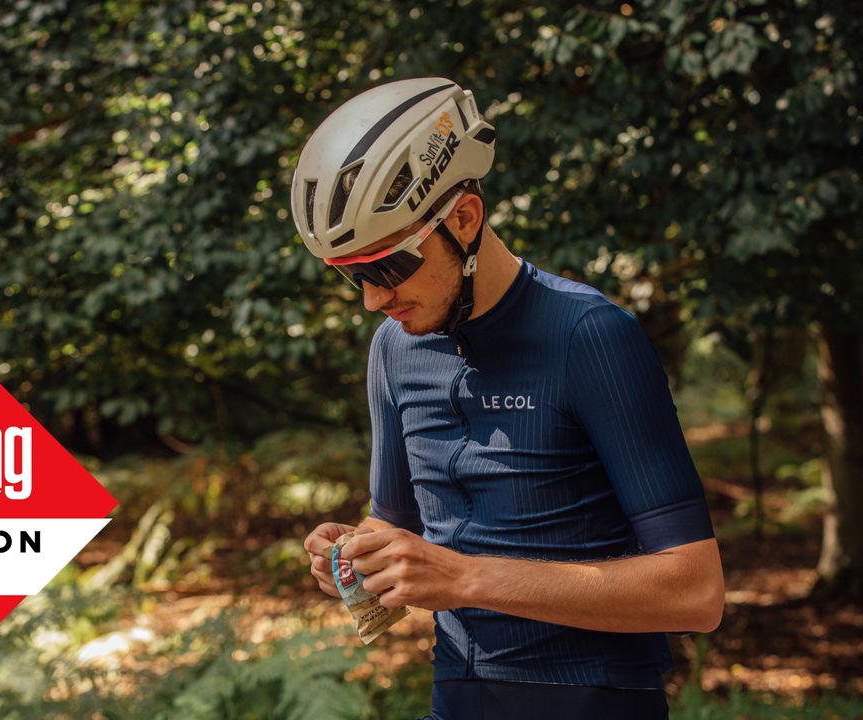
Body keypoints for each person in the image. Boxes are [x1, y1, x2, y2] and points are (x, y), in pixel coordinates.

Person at [293, 77, 723, 719]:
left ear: (464, 219)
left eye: (386, 267)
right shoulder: (393, 348)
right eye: (352, 275)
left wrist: (463, 577)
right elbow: (398, 523)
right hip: (458, 693)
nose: (373, 300)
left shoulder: (589, 336)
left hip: (595, 699)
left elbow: (695, 591)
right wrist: (359, 557)